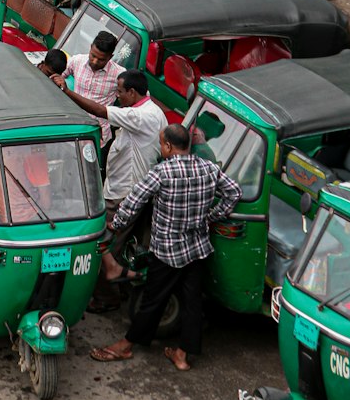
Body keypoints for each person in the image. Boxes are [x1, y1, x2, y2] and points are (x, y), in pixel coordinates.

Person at [91, 124, 241, 371]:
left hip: (167, 251)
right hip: (197, 247)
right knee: (193, 301)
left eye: (161, 144)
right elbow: (234, 192)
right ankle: (182, 354)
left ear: (169, 147)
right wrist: (212, 216)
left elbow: (133, 202)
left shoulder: (161, 172)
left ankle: (126, 345)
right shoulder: (208, 168)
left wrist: (116, 224)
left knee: (153, 300)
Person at [59, 66, 167, 298]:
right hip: (124, 187)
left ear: (132, 92)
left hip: (123, 193)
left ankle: (103, 296)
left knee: (103, 244)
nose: (117, 95)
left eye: (119, 91)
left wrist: (67, 92)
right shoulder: (152, 110)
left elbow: (98, 110)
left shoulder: (140, 116)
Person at [55, 31, 123, 146]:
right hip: (73, 129)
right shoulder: (76, 61)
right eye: (93, 55)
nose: (95, 61)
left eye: (101, 59)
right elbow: (57, 75)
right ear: (91, 47)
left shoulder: (119, 75)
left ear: (110, 57)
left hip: (98, 138)